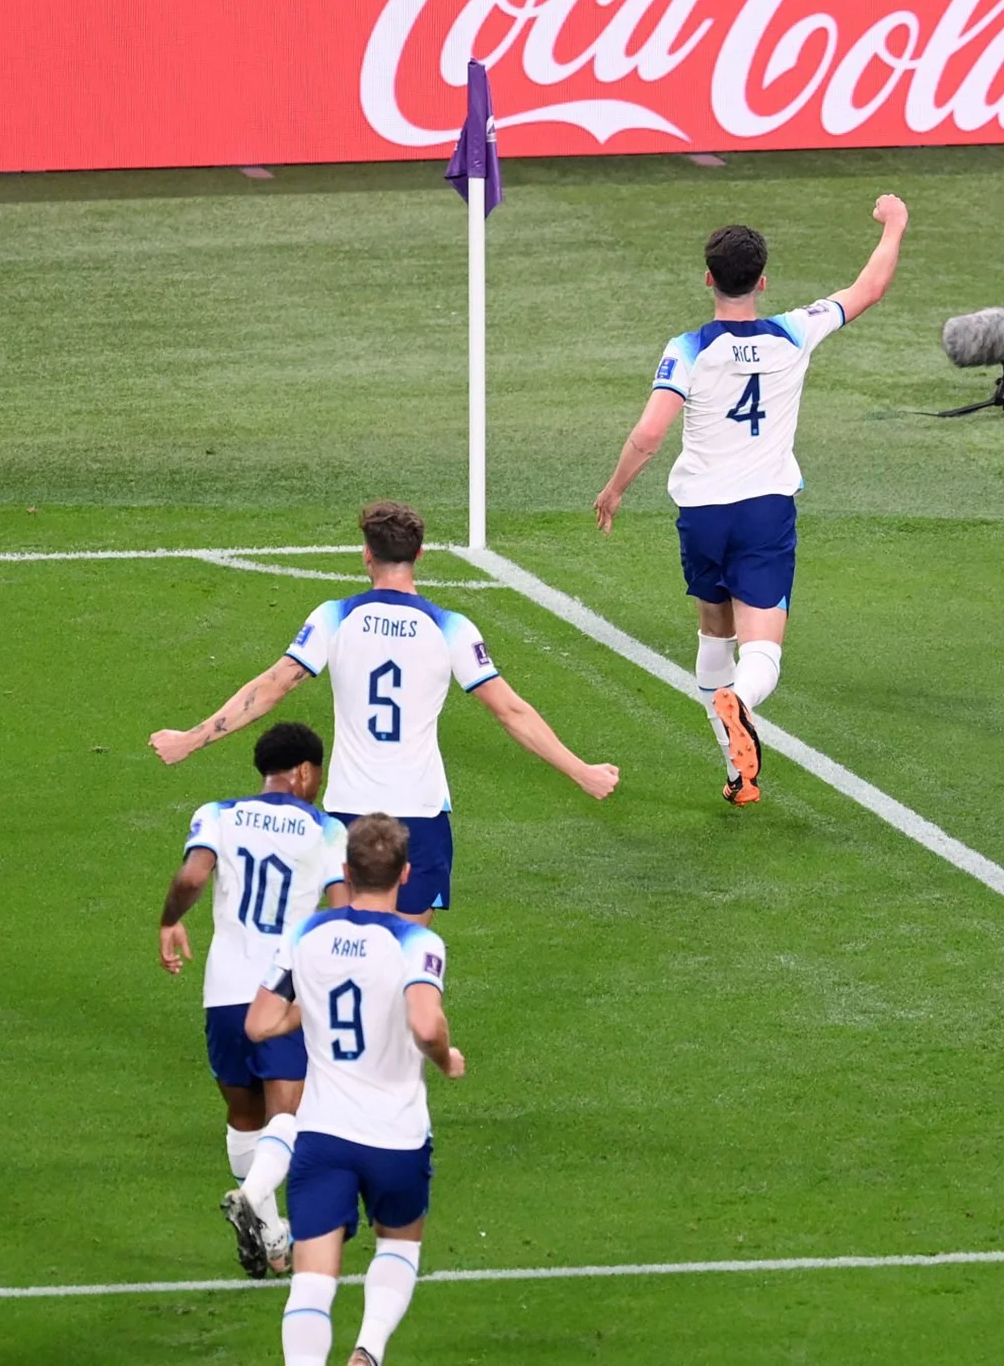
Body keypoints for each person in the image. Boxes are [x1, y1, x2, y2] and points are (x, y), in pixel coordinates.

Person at [150, 501, 618, 924]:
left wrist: (190, 739)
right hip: (420, 814)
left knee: (350, 952)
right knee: (405, 960)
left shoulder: (334, 617)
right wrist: (581, 771)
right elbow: (511, 712)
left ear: (366, 555)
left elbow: (272, 686)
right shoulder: (451, 628)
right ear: (420, 555)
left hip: (349, 812)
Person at [594, 199, 908, 805]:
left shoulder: (688, 348)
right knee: (762, 648)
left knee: (715, 633)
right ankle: (740, 700)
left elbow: (650, 434)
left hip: (702, 515)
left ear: (708, 278)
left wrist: (615, 489)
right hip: (765, 511)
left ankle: (738, 773)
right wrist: (894, 223)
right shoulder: (794, 330)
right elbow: (868, 288)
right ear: (761, 281)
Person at [245, 815, 460, 1366]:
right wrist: (446, 1058)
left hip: (323, 1135)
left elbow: (259, 1024)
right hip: (396, 1135)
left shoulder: (306, 934)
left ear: (346, 870)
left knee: (312, 1283)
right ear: (404, 874)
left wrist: (308, 1010)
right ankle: (369, 1348)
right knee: (398, 1244)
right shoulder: (418, 941)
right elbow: (427, 1024)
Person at [160, 722, 351, 1280]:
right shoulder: (325, 828)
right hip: (284, 992)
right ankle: (250, 1197)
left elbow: (192, 877)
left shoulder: (217, 814)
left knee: (244, 1117)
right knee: (289, 1114)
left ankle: (271, 1237)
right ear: (305, 772)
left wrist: (170, 920)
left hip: (222, 991)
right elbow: (342, 908)